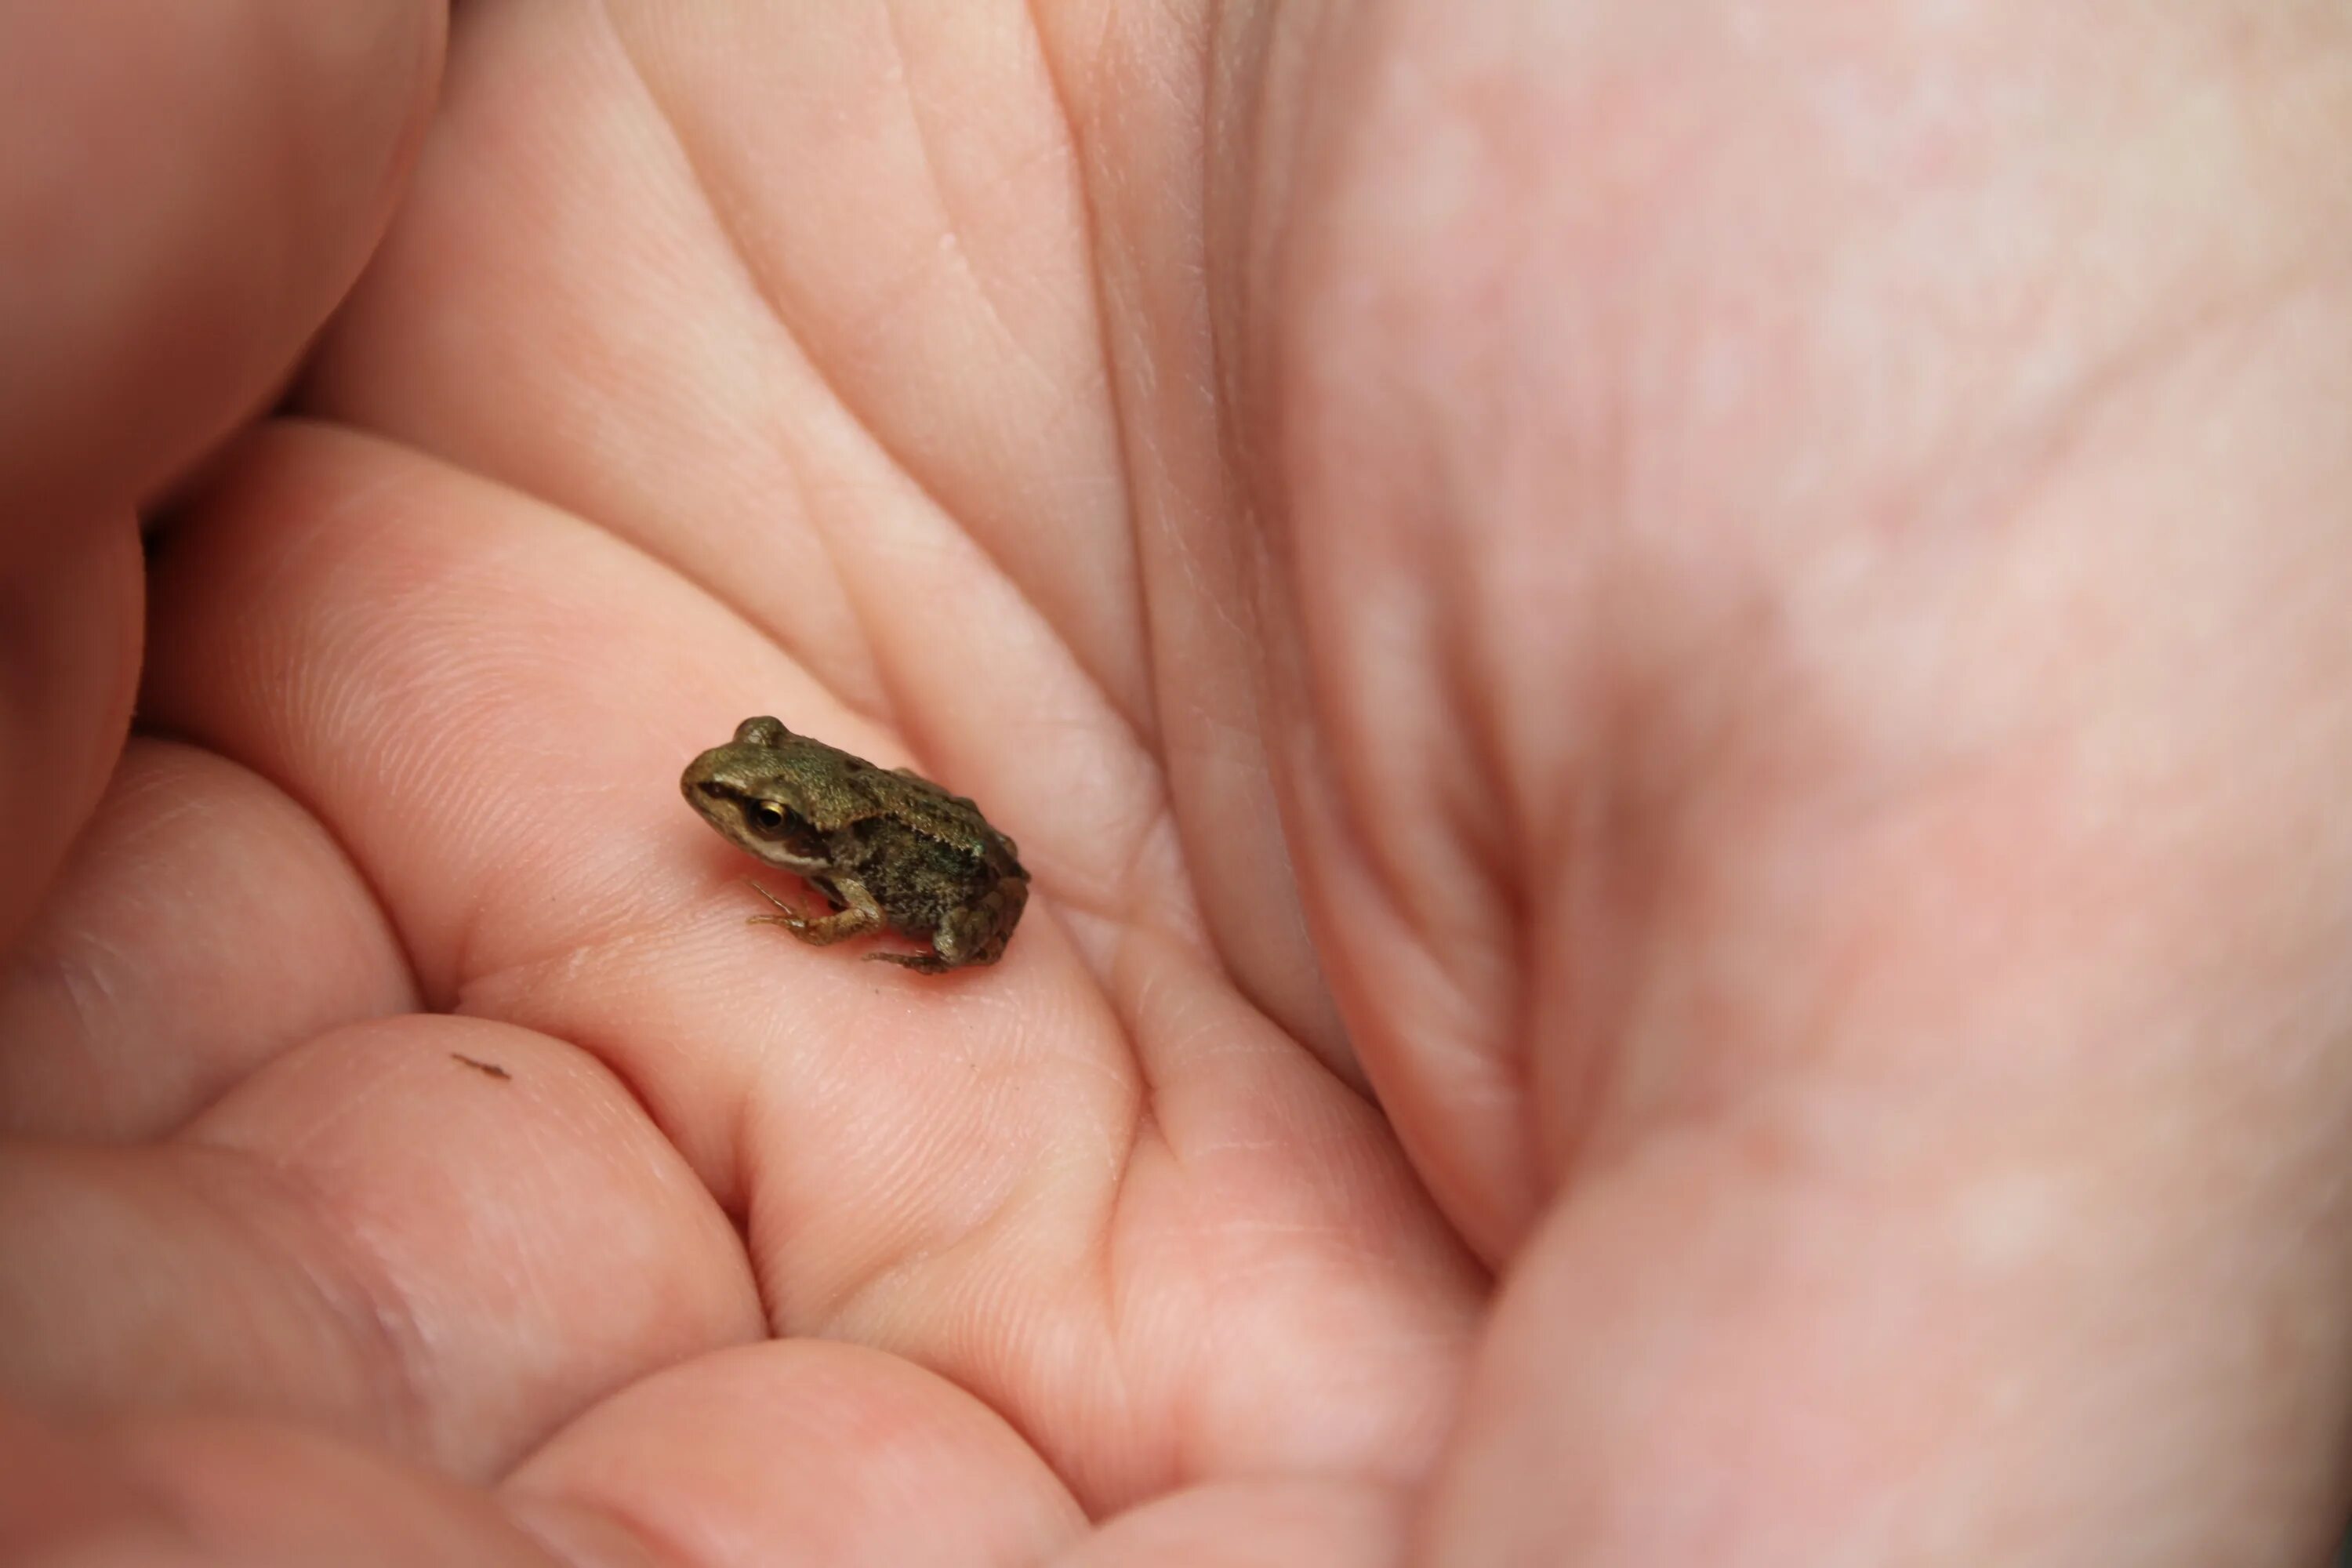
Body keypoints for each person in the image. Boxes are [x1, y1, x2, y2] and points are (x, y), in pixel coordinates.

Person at [4, 4, 2348, 1563]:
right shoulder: (778, 784)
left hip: (968, 871)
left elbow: (935, 876)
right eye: (756, 809)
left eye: (754, 809)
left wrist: (859, 926)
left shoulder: (853, 865)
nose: (738, 815)